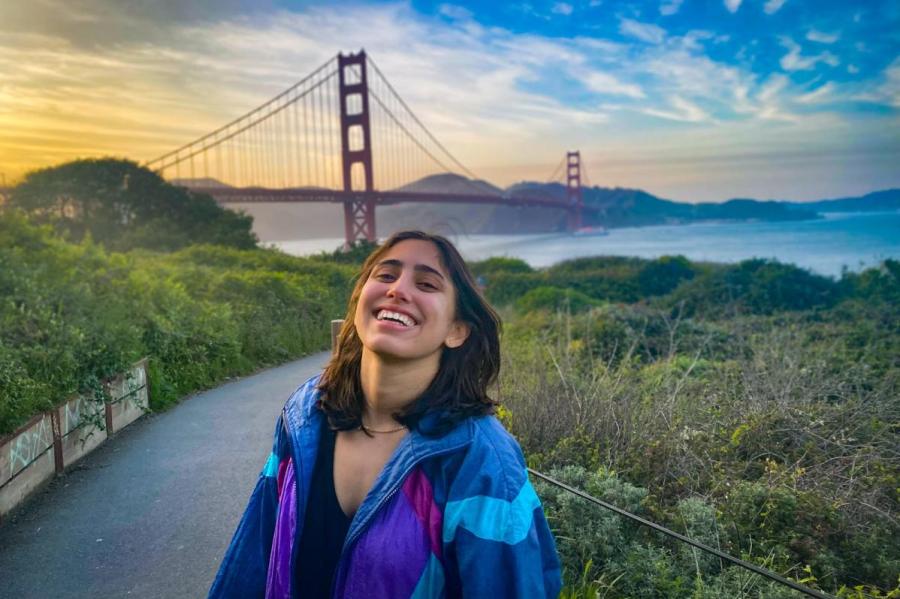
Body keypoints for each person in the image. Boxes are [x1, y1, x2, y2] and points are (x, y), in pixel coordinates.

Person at [208, 231, 561, 598]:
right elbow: (254, 552)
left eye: (426, 283)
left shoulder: (481, 462)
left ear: (456, 331)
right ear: (361, 298)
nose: (398, 290)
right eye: (386, 275)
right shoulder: (304, 416)